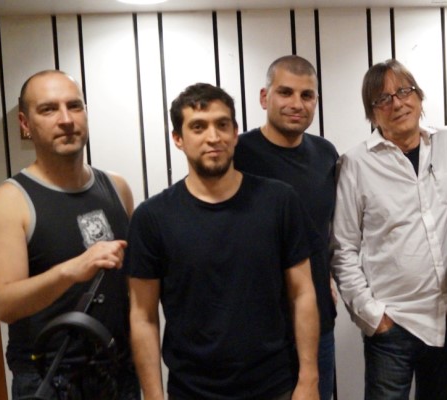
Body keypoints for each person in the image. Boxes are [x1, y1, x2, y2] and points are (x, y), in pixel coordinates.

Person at [126, 83, 320, 400]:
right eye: (198, 127)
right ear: (178, 138)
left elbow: (303, 293)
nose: (213, 137)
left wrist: (309, 379)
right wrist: (153, 396)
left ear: (235, 133)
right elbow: (143, 316)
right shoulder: (152, 217)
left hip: (274, 387)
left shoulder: (279, 201)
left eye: (222, 124)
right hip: (191, 391)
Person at [331, 59, 447, 399]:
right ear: (372, 114)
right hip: (393, 324)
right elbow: (343, 249)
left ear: (419, 97)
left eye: (404, 91)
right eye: (383, 99)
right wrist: (372, 316)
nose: (397, 103)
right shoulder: (356, 164)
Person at [0, 70, 140, 399]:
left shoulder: (117, 187)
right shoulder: (6, 203)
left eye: (74, 106)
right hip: (50, 378)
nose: (66, 120)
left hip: (117, 371)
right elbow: (4, 305)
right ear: (25, 123)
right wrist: (70, 271)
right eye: (48, 109)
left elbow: (134, 285)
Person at [234, 55, 339, 400]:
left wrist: (327, 275)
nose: (297, 104)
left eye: (306, 95)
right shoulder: (237, 154)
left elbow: (325, 230)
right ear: (264, 97)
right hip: (254, 329)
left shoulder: (326, 154)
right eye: (285, 92)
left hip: (317, 323)